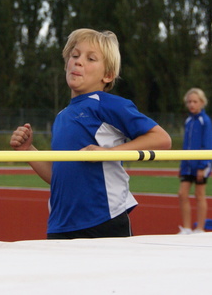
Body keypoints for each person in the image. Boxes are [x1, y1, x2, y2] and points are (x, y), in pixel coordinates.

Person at [10, 28, 171, 239]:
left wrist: (110, 152)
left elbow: (161, 138)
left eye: (91, 58)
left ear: (108, 75)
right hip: (61, 224)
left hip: (104, 220)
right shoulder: (62, 116)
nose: (78, 62)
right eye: (74, 56)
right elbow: (58, 175)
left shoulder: (108, 104)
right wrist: (27, 150)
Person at [178, 87, 212, 235]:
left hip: (201, 164)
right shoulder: (188, 121)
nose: (192, 104)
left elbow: (208, 143)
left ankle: (200, 228)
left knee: (199, 194)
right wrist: (182, 164)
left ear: (202, 103)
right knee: (182, 194)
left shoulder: (204, 120)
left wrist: (203, 165)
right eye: (189, 102)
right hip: (187, 165)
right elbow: (186, 145)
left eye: (195, 101)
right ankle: (186, 228)